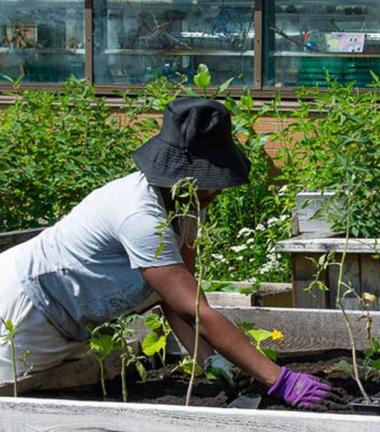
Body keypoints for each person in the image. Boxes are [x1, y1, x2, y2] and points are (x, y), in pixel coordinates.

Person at [0, 97, 330, 407]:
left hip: (66, 325)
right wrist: (279, 379)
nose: (217, 191)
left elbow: (177, 302)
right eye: (211, 180)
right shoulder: (141, 217)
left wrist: (209, 361)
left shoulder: (185, 208)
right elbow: (195, 309)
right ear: (182, 175)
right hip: (22, 312)